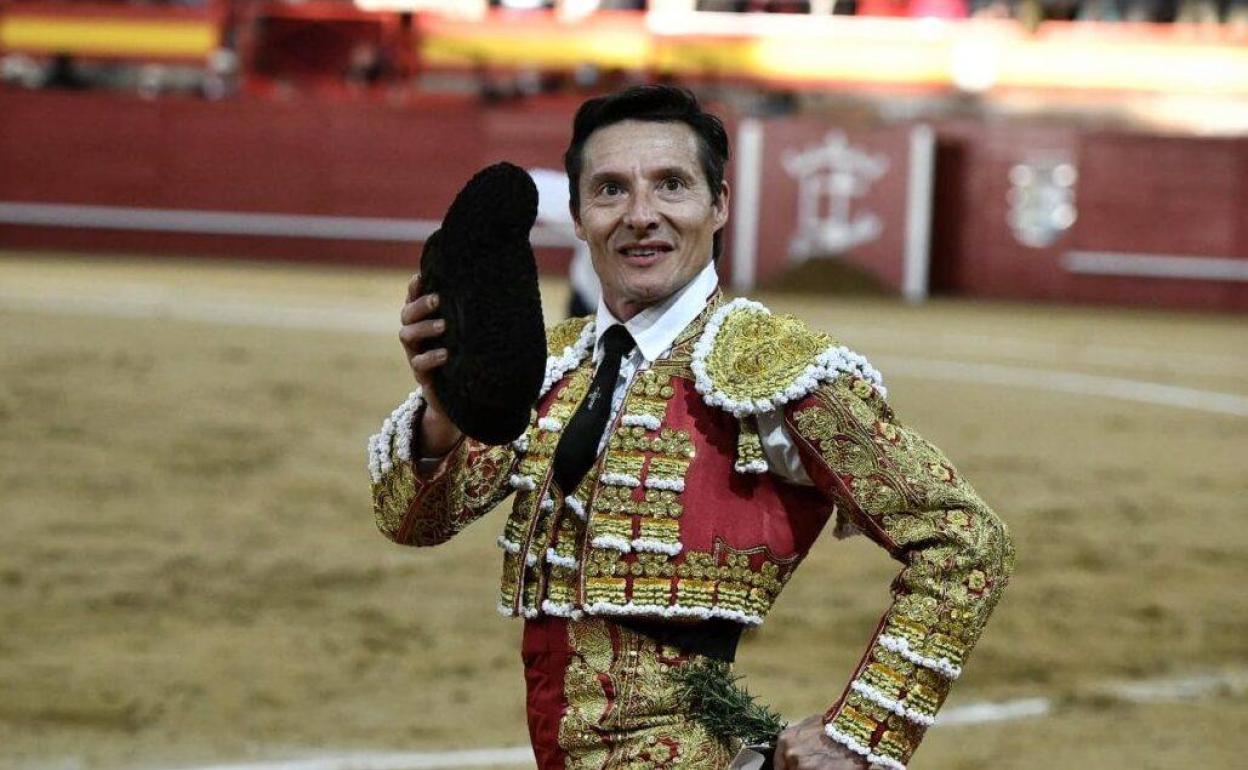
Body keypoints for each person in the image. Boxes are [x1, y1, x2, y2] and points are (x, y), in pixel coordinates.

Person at [368, 85, 1014, 769]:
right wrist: (444, 409)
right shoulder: (551, 364)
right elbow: (412, 522)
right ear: (580, 217)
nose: (640, 216)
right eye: (611, 190)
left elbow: (966, 541)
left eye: (671, 185)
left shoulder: (774, 371)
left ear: (719, 206)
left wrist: (858, 738)